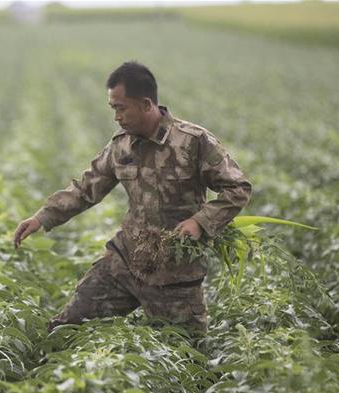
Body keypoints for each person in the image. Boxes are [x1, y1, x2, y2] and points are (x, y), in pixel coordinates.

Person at [13, 61, 252, 334]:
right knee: (66, 328)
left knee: (186, 357)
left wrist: (200, 222)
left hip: (175, 273)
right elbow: (85, 189)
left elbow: (238, 187)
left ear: (146, 104)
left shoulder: (192, 142)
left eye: (121, 108)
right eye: (113, 109)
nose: (117, 117)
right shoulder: (121, 145)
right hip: (125, 262)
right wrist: (42, 218)